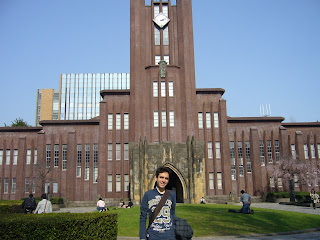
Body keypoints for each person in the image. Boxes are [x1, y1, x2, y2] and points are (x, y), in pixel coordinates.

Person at [139, 166, 176, 240]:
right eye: (161, 177)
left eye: (166, 178)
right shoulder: (148, 195)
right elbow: (143, 217)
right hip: (153, 236)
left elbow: (172, 214)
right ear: (156, 178)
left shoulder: (172, 194)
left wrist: (174, 232)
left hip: (169, 236)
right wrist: (142, 237)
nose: (163, 180)